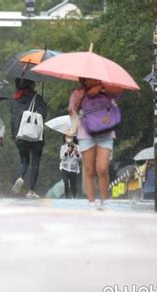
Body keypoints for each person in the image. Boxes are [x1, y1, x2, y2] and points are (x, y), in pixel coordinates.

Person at [69, 77, 123, 210]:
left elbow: (120, 91)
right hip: (86, 132)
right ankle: (91, 202)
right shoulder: (77, 93)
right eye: (88, 79)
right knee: (89, 169)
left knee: (102, 168)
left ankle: (105, 201)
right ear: (84, 79)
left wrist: (102, 88)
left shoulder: (107, 88)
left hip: (106, 132)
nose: (92, 80)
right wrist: (80, 98)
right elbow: (72, 112)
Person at [10, 78, 47, 199]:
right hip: (36, 137)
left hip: (20, 135)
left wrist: (14, 135)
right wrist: (42, 103)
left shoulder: (15, 100)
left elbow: (13, 120)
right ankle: (31, 190)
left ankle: (20, 177)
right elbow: (43, 115)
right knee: (35, 161)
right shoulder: (38, 98)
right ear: (31, 84)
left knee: (24, 160)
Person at [59, 134, 81, 198]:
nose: (68, 138)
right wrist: (66, 152)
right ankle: (67, 196)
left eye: (70, 137)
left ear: (73, 138)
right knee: (66, 183)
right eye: (67, 137)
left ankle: (74, 196)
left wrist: (77, 153)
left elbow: (80, 159)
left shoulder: (77, 147)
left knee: (73, 185)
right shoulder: (63, 147)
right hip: (64, 167)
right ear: (64, 138)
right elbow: (62, 157)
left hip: (73, 168)